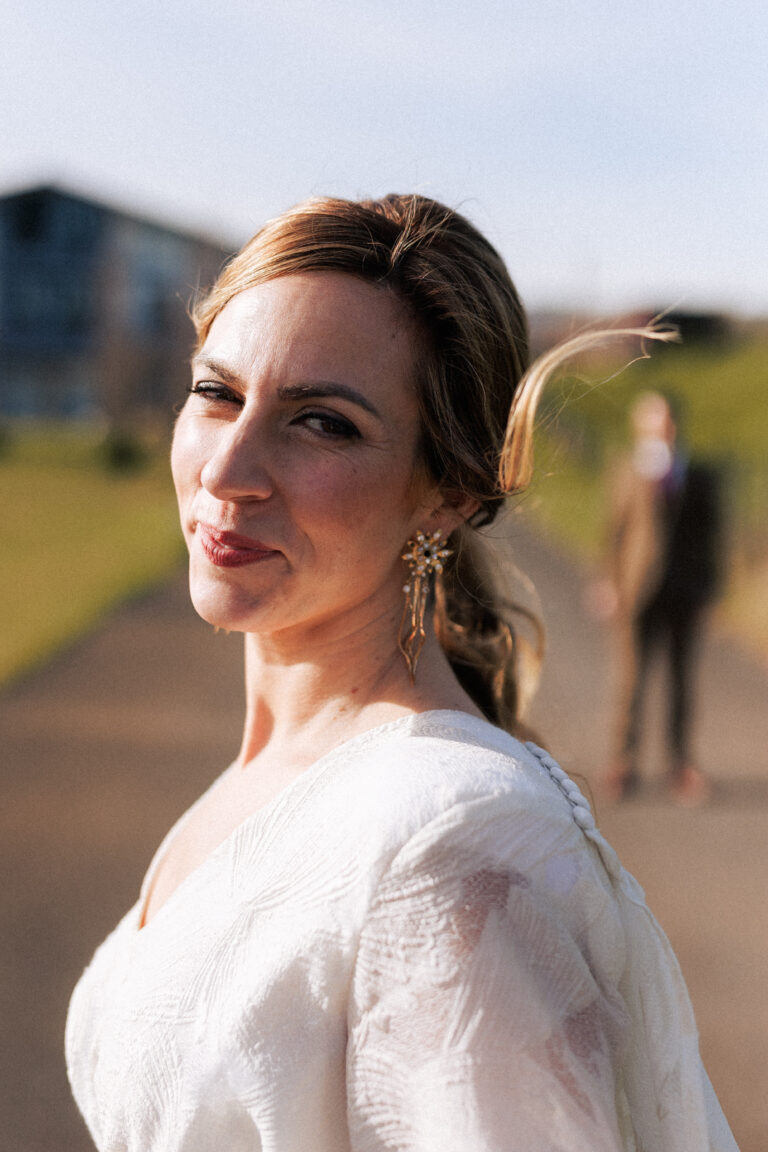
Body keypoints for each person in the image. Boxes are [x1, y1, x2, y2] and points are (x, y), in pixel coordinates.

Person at [66, 194, 738, 1151]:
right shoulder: (291, 773)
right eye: (217, 393)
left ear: (448, 493)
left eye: (323, 424)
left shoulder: (451, 855)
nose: (228, 468)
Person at [601, 391, 722, 804]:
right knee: (632, 678)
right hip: (638, 590)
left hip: (685, 590)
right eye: (653, 420)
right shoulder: (628, 469)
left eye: (667, 420)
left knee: (681, 679)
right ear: (641, 425)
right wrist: (609, 584)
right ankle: (624, 761)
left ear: (676, 424)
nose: (662, 428)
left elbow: (712, 539)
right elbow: (614, 532)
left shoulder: (699, 473)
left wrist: (710, 589)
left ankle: (681, 763)